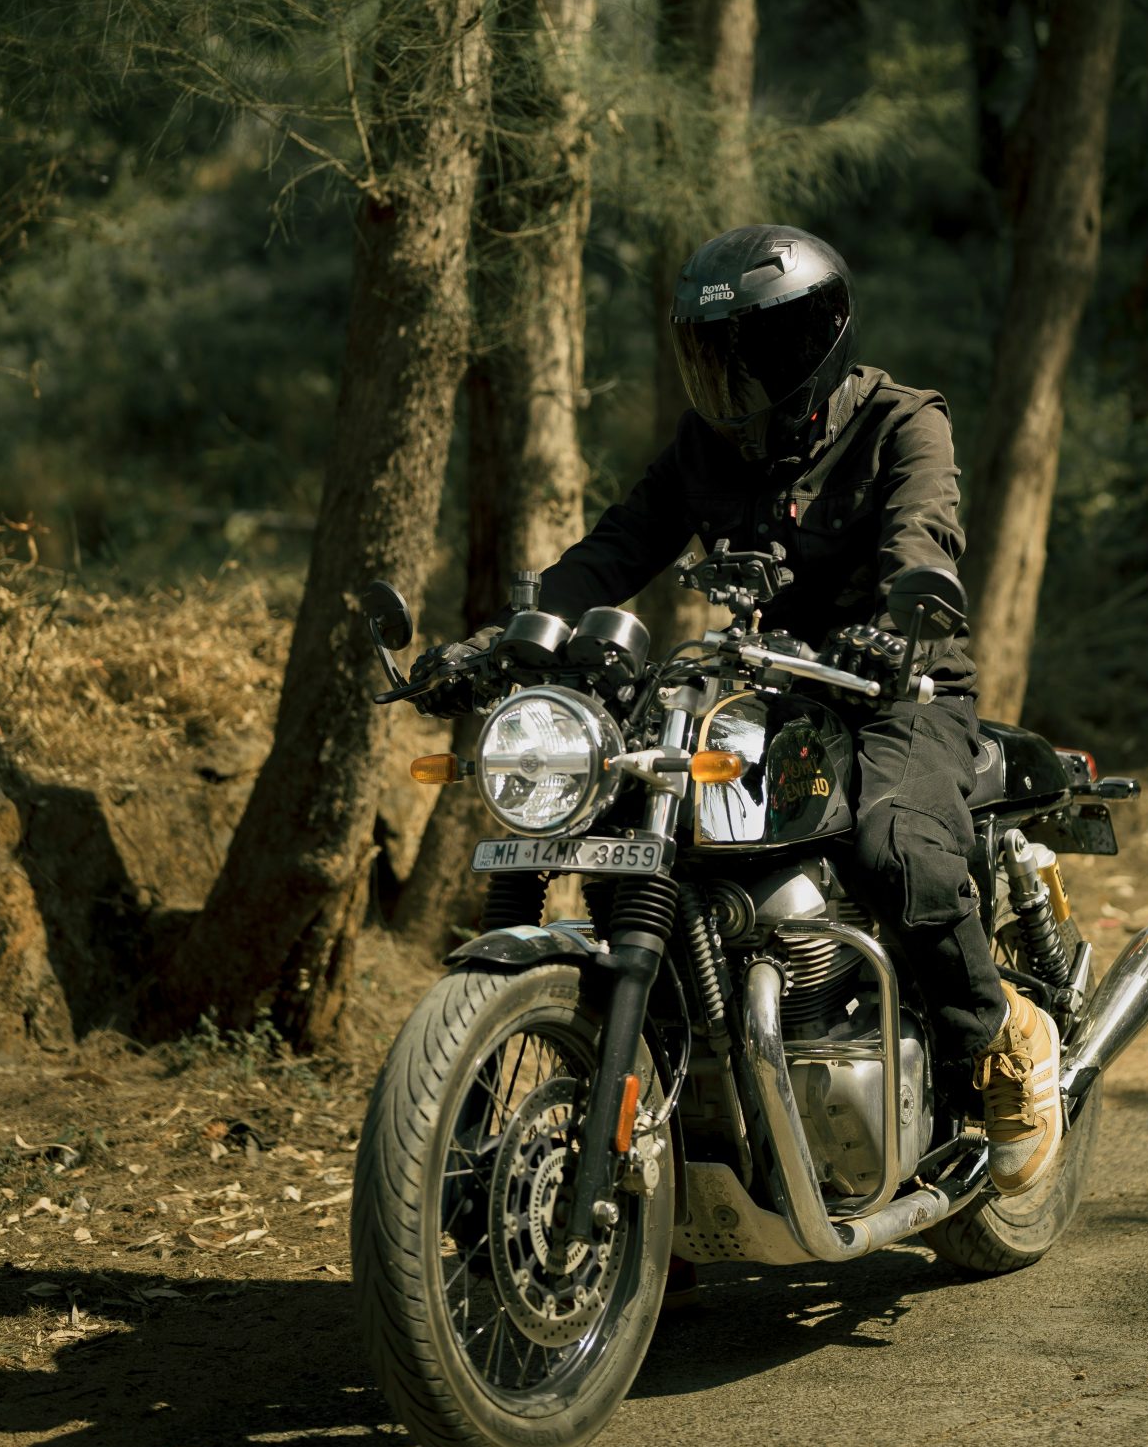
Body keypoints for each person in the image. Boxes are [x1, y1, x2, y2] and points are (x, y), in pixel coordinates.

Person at [421, 223, 1063, 1195]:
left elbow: (922, 531)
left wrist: (902, 612)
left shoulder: (900, 422)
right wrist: (499, 637)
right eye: (716, 354)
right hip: (770, 692)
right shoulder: (704, 447)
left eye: (755, 351)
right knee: (638, 836)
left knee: (896, 843)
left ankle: (999, 1037)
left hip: (899, 685)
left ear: (817, 340)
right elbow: (613, 549)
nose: (733, 378)